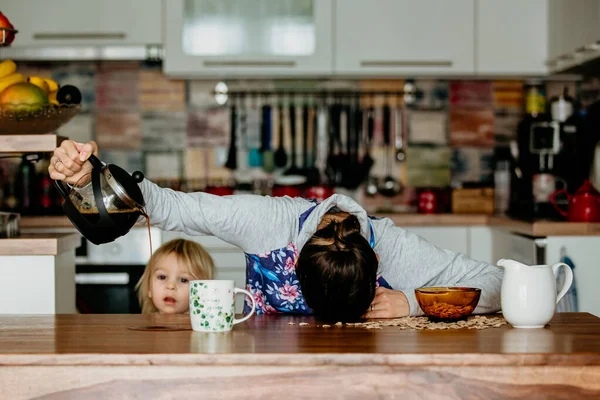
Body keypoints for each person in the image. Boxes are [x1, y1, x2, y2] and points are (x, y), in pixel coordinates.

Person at [50, 140, 503, 322]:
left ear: (377, 263)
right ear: (296, 256)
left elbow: (500, 283)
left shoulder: (396, 247)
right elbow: (172, 207)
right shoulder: (267, 222)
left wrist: (412, 301)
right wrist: (85, 176)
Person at [136, 238, 215, 314]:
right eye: (162, 277)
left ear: (203, 291)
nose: (170, 286)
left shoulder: (202, 326)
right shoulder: (145, 324)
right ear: (149, 287)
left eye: (183, 280)